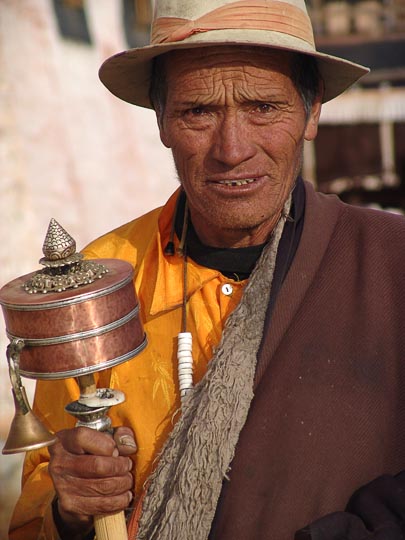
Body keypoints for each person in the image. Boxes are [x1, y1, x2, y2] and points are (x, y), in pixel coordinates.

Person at [8, 0, 405, 539]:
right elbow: (34, 520)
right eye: (199, 111)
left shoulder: (389, 266)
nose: (232, 149)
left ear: (312, 113)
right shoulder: (101, 284)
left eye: (263, 107)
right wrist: (71, 509)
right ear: (161, 121)